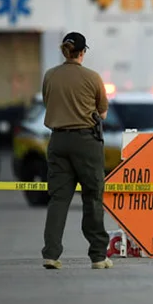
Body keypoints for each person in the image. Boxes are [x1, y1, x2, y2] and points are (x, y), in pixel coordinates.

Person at [41, 32, 112, 270]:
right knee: (92, 197)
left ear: (64, 51)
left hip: (58, 140)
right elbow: (102, 113)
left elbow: (47, 102)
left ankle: (51, 254)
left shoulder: (50, 76)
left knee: (58, 199)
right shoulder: (92, 77)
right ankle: (98, 256)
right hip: (86, 142)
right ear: (83, 52)